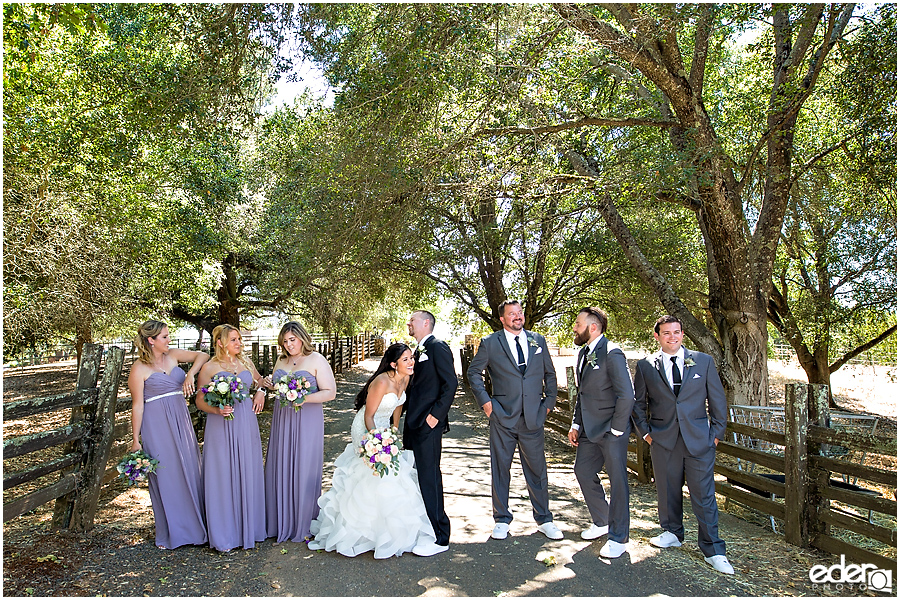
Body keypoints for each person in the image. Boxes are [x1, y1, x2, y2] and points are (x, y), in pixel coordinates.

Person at [308, 343, 437, 559]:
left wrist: (394, 433)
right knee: (370, 473)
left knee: (392, 475)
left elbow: (398, 405)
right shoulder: (381, 381)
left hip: (385, 429)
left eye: (411, 358)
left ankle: (386, 533)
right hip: (366, 428)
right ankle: (358, 532)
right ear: (394, 364)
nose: (411, 362)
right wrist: (377, 442)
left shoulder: (405, 377)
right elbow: (368, 416)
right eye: (405, 360)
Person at [632, 315, 734, 575]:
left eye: (676, 332)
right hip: (663, 440)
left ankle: (713, 549)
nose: (673, 337)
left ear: (682, 334)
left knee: (704, 496)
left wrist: (716, 433)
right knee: (667, 491)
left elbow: (717, 400)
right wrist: (646, 433)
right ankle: (672, 532)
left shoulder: (703, 361)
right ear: (657, 336)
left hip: (699, 441)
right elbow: (638, 403)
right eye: (666, 333)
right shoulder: (645, 366)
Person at [466, 300, 562, 541]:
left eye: (519, 313)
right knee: (501, 469)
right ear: (502, 319)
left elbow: (550, 374)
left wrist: (548, 405)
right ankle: (501, 520)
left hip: (534, 417)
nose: (518, 317)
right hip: (502, 416)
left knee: (537, 470)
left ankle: (544, 518)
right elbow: (473, 373)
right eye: (512, 314)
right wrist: (487, 404)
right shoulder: (490, 343)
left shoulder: (537, 340)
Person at [129, 320, 209, 549]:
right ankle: (173, 532)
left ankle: (197, 527)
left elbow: (201, 356)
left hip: (180, 419)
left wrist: (190, 375)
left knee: (190, 467)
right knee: (167, 474)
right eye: (164, 336)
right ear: (151, 340)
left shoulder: (173, 355)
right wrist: (135, 440)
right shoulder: (139, 368)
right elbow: (137, 406)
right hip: (156, 424)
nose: (169, 339)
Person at [567, 307, 635, 559]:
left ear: (592, 327)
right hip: (588, 429)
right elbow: (582, 393)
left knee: (618, 482)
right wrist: (576, 424)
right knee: (583, 471)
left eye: (578, 323)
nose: (574, 327)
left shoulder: (612, 352)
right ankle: (602, 520)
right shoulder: (583, 353)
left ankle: (619, 537)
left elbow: (626, 395)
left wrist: (616, 429)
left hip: (610, 431)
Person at [262, 321, 336, 543]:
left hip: (307, 418)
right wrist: (269, 385)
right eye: (285, 341)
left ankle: (303, 522)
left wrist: (302, 398)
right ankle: (278, 521)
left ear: (302, 338)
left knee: (303, 464)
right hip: (283, 417)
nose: (288, 345)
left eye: (292, 340)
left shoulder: (316, 360)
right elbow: (278, 386)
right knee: (281, 463)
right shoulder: (281, 360)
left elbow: (330, 392)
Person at [195, 324, 267, 552]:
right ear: (220, 343)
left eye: (239, 339)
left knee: (247, 468)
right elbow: (199, 400)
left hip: (246, 421)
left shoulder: (246, 362)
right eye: (234, 339)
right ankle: (225, 532)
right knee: (222, 472)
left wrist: (261, 392)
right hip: (220, 424)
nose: (239, 343)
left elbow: (261, 382)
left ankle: (249, 529)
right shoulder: (209, 367)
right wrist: (216, 410)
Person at [403, 310, 458, 556]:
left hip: (428, 425)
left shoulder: (437, 347)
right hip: (413, 424)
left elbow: (451, 383)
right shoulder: (417, 351)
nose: (409, 324)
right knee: (416, 479)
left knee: (430, 478)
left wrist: (436, 415)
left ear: (426, 323)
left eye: (412, 320)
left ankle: (440, 537)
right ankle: (425, 529)